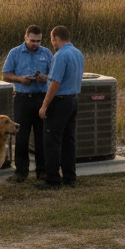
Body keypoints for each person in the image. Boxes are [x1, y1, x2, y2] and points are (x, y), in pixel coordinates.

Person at [2, 25, 53, 182]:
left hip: (41, 98)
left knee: (41, 136)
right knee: (21, 136)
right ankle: (21, 172)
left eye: (38, 41)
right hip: (22, 98)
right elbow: (5, 74)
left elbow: (53, 75)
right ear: (25, 38)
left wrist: (45, 78)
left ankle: (42, 171)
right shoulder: (15, 53)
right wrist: (19, 79)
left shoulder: (47, 53)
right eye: (32, 41)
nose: (35, 44)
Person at [38, 25, 85, 190]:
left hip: (60, 102)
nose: (53, 44)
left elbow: (55, 83)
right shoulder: (78, 53)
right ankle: (70, 177)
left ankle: (52, 180)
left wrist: (44, 106)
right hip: (73, 100)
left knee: (52, 141)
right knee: (69, 140)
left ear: (55, 38)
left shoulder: (60, 55)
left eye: (52, 41)